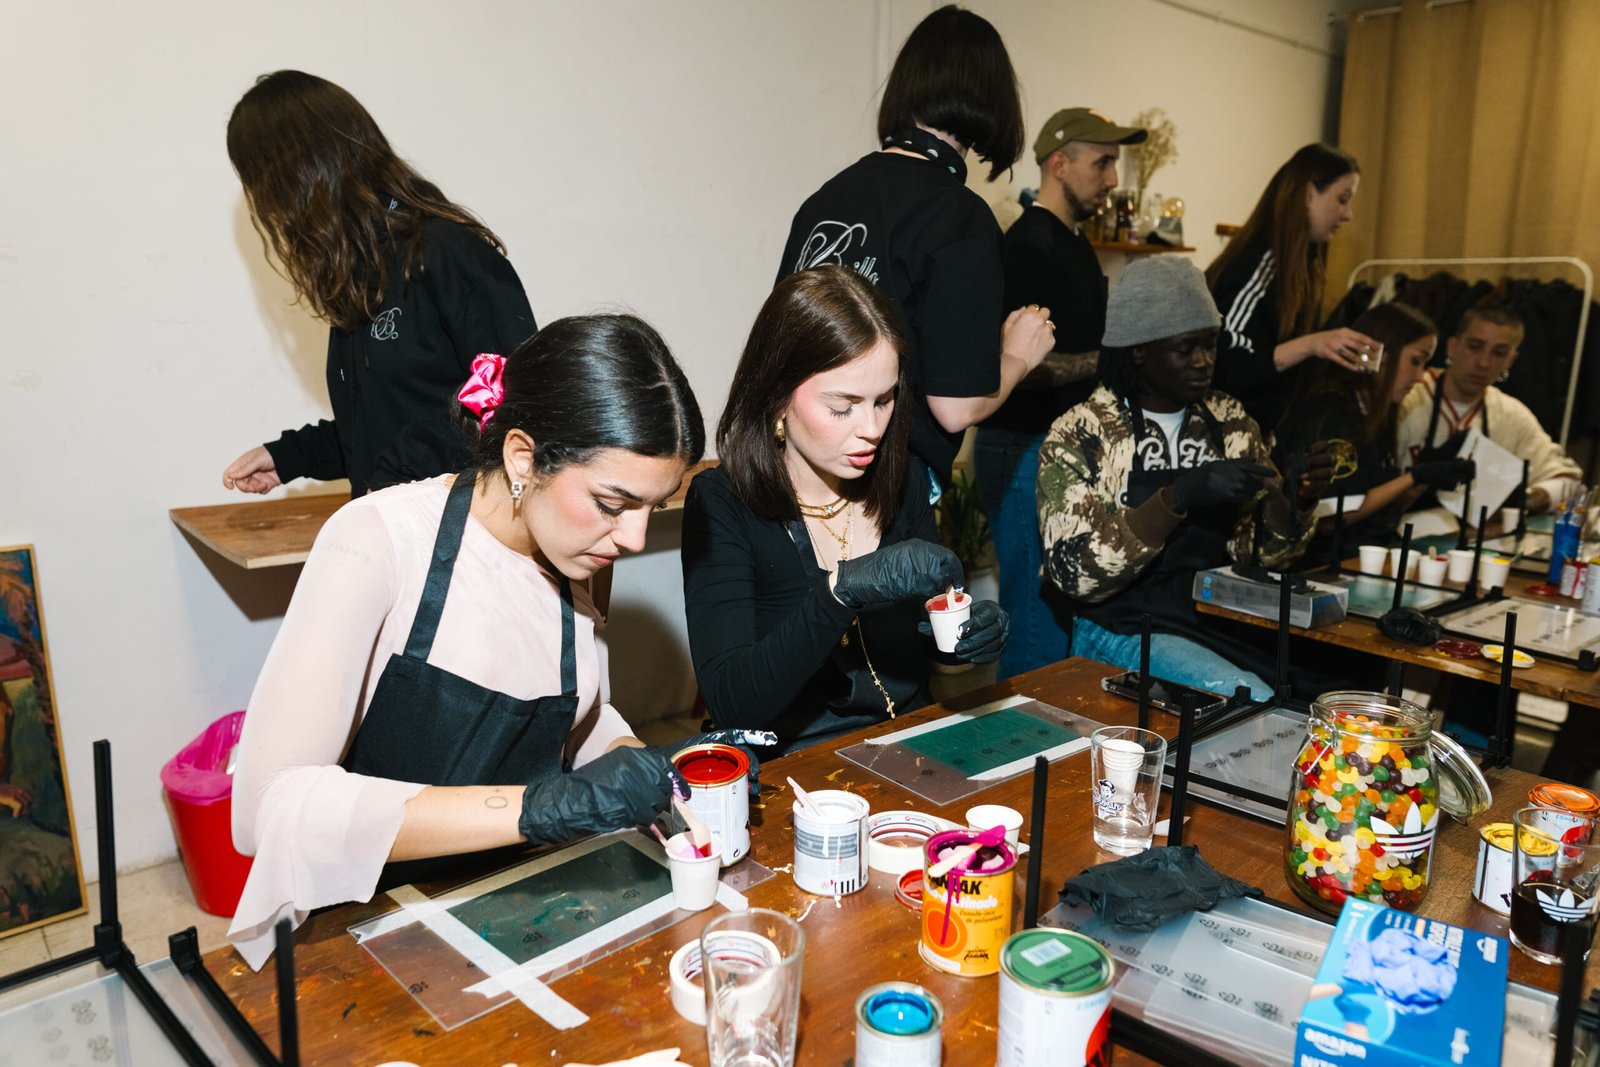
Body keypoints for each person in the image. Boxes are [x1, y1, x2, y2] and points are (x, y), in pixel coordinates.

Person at [229, 314, 706, 968]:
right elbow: (267, 810)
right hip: (365, 924)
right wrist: (539, 807)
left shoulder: (576, 555)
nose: (635, 538)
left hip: (511, 904)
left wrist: (637, 767)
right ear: (522, 458)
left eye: (656, 506)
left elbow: (576, 715)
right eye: (612, 502)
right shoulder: (377, 541)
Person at [682, 267, 1009, 754]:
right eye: (843, 407)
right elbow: (735, 704)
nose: (872, 429)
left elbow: (921, 650)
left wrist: (966, 637)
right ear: (777, 396)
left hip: (911, 745)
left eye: (884, 400)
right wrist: (842, 590)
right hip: (796, 765)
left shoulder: (904, 478)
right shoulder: (723, 502)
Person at [221, 70, 536, 499]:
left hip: (462, 528)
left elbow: (508, 392)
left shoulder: (447, 252)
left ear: (298, 174)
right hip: (398, 525)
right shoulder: (362, 276)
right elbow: (380, 428)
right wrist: (290, 456)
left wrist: (396, 476)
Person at [775, 5, 1054, 490]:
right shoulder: (960, 219)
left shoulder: (825, 200)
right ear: (993, 97)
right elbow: (955, 408)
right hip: (882, 483)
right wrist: (1018, 356)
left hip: (790, 471)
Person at [1037, 257, 1331, 698]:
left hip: (1213, 619)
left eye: (1210, 345)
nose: (1203, 361)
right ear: (1139, 350)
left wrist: (1295, 499)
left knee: (1331, 687)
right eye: (1185, 348)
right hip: (1118, 627)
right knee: (1254, 698)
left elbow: (1264, 558)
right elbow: (1076, 576)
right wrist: (1173, 499)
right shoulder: (1083, 433)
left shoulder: (1229, 422)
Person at [975, 107, 1146, 679]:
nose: (1112, 179)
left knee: (1057, 613)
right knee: (1035, 620)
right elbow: (1012, 366)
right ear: (1058, 163)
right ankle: (1023, 738)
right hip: (1022, 446)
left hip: (1056, 449)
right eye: (1102, 163)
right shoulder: (1030, 245)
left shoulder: (1073, 242)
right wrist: (1109, 362)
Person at [1276, 303, 1475, 566]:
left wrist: (1430, 475)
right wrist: (1414, 477)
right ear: (1381, 353)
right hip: (1321, 567)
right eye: (1416, 360)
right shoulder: (1331, 413)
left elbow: (1378, 506)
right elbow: (1330, 517)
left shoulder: (1374, 412)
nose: (1420, 377)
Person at [1207, 143, 1378, 433]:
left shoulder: (1302, 264)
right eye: (1342, 199)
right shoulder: (1257, 265)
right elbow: (1225, 366)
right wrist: (1310, 345)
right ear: (1309, 194)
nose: (1348, 214)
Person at [1397, 305, 1581, 515]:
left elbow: (1568, 482)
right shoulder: (1408, 397)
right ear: (1452, 347)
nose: (1484, 363)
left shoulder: (1512, 415)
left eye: (1499, 353)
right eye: (1474, 347)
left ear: (1510, 360)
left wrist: (1525, 499)